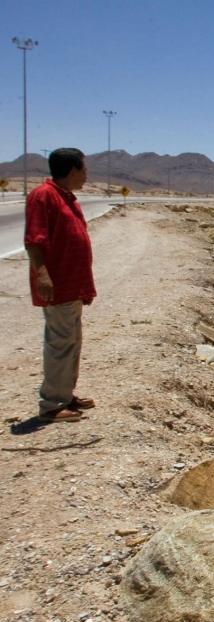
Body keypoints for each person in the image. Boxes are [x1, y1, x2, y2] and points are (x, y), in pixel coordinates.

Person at [24, 147, 97, 423]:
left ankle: (65, 395)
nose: (86, 175)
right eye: (84, 169)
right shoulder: (43, 197)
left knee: (71, 342)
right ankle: (52, 404)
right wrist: (42, 274)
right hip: (58, 286)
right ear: (72, 169)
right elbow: (34, 240)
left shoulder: (66, 198)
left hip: (72, 285)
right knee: (60, 344)